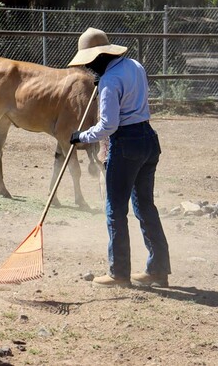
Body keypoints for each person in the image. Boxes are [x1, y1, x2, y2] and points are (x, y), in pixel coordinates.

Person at [68, 27, 171, 288]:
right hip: (148, 139)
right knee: (145, 207)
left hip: (126, 144)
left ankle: (119, 274)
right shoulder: (135, 66)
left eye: (90, 63)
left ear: (99, 58)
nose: (89, 68)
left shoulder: (109, 81)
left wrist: (81, 136)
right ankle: (158, 271)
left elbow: (108, 126)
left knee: (115, 210)